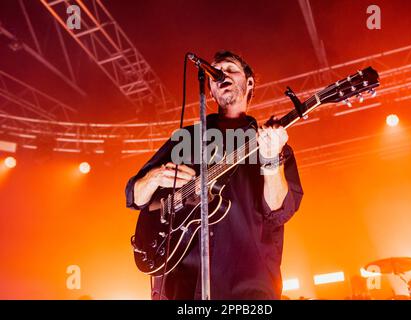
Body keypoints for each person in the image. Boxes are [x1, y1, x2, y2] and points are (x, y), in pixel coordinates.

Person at [125, 50, 303, 300]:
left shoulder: (273, 145)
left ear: (249, 82)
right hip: (183, 286)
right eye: (214, 73)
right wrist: (154, 178)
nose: (222, 74)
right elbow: (134, 196)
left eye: (230, 69)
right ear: (210, 90)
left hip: (247, 289)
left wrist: (272, 160)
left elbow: (278, 212)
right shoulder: (187, 140)